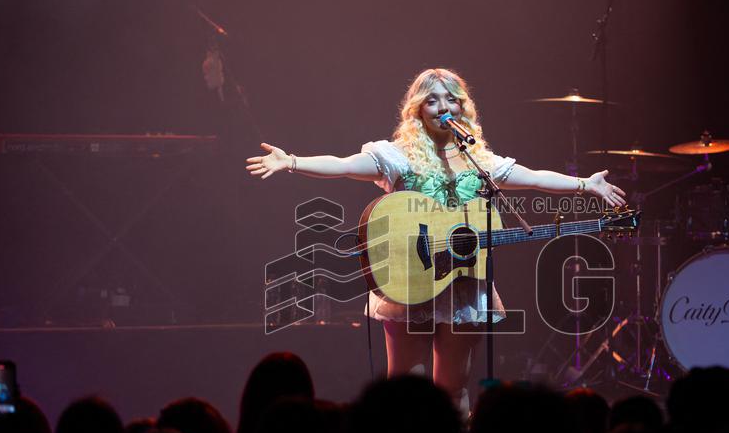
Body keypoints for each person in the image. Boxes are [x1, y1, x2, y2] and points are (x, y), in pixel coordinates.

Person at [246, 68, 625, 407]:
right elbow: (345, 166)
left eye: (451, 99)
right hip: (409, 278)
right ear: (417, 109)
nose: (444, 107)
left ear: (463, 107)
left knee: (455, 389)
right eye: (432, 99)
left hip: (462, 284)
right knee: (405, 391)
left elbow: (535, 177)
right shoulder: (399, 156)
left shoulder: (480, 160)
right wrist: (292, 161)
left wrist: (585, 184)